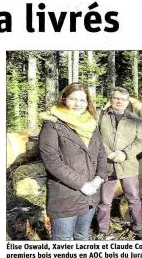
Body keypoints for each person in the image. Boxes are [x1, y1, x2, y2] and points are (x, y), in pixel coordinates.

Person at [38, 83, 107, 240]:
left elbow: (101, 153)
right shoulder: (52, 124)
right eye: (73, 99)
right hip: (65, 196)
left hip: (90, 196)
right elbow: (52, 161)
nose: (78, 104)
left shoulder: (91, 123)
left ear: (87, 102)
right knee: (64, 240)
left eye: (82, 100)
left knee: (82, 236)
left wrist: (99, 177)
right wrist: (82, 185)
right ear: (64, 99)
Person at [96, 87, 142, 239]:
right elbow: (95, 138)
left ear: (127, 102)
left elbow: (141, 141)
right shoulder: (101, 117)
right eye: (116, 98)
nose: (119, 101)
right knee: (104, 201)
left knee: (134, 199)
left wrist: (125, 154)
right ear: (111, 99)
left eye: (123, 99)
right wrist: (109, 153)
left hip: (128, 165)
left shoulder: (135, 120)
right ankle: (102, 230)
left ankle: (137, 227)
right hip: (106, 165)